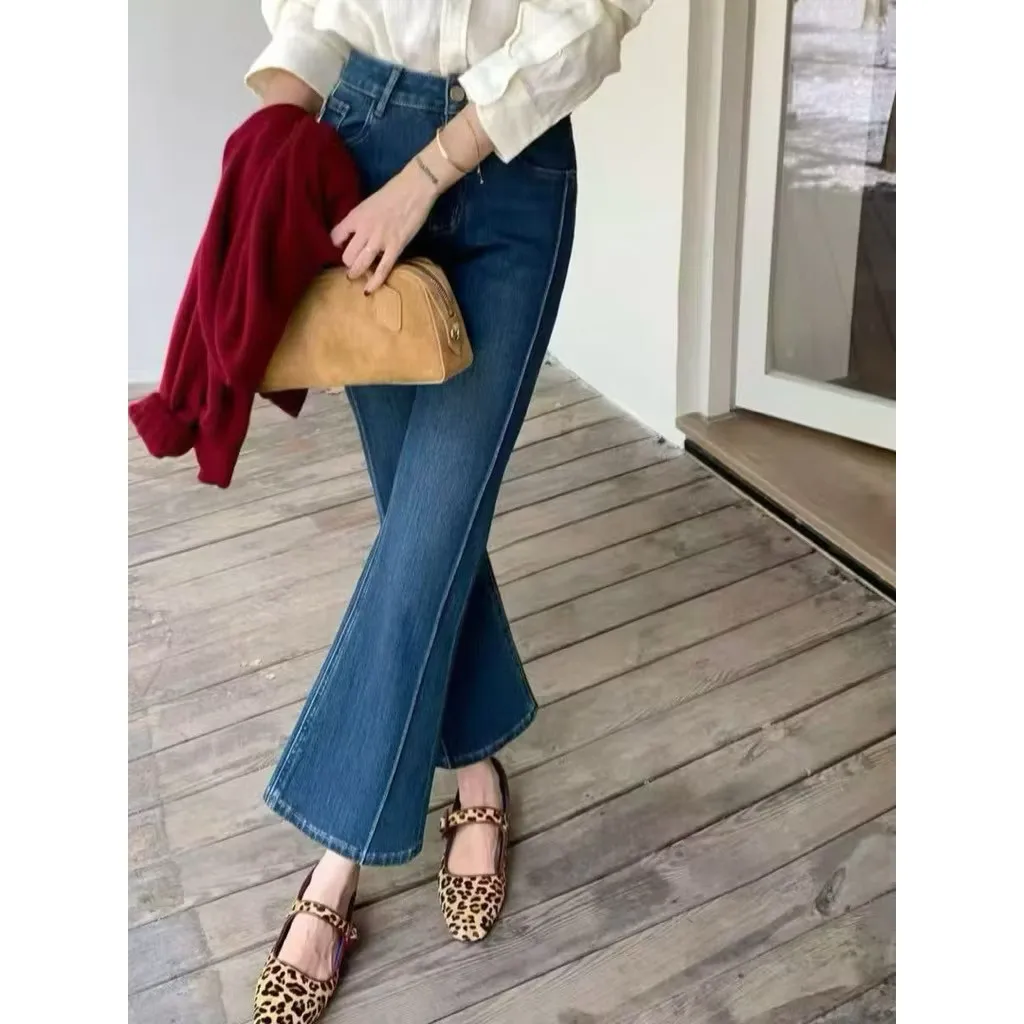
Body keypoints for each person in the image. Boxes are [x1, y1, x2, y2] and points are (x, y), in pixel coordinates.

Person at [246, 3, 653, 1020]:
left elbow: (593, 19)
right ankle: (476, 770)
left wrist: (427, 175)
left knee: (429, 531)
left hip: (512, 166)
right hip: (357, 141)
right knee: (424, 526)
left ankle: (335, 864)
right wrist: (274, 137)